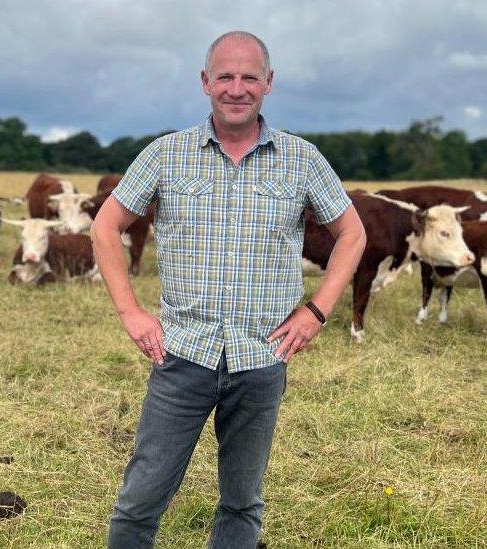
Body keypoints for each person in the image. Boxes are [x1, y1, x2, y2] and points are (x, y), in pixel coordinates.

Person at [90, 30, 366, 548]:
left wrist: (317, 310)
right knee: (140, 500)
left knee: (242, 502)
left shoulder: (302, 159)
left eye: (248, 77)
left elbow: (352, 233)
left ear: (269, 83)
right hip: (181, 354)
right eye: (225, 76)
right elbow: (105, 227)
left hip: (262, 358)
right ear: (205, 82)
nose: (236, 88)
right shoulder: (166, 155)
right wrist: (130, 311)